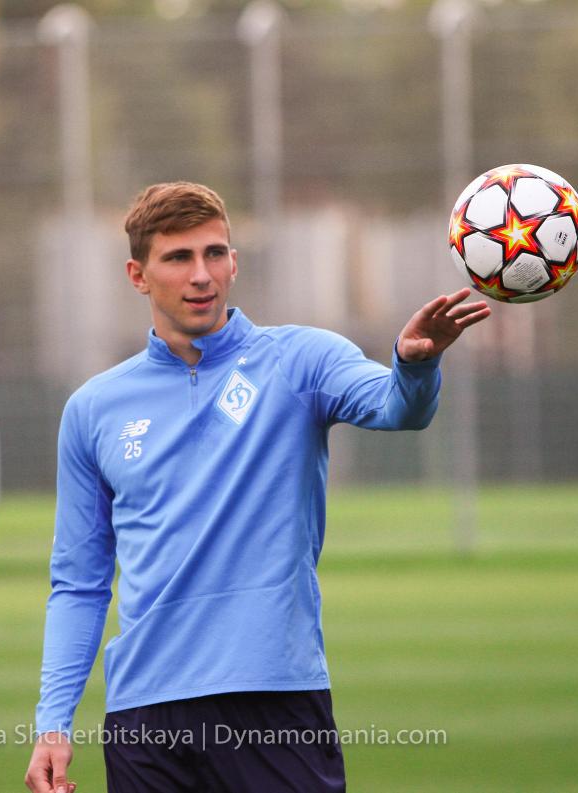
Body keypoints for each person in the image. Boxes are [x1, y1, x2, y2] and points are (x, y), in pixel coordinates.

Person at [25, 181, 489, 793]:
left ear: (234, 263)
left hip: (275, 701)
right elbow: (79, 583)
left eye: (214, 253)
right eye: (178, 257)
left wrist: (416, 363)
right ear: (138, 275)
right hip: (145, 717)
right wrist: (53, 722)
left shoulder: (302, 359)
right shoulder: (94, 408)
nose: (201, 275)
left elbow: (397, 408)